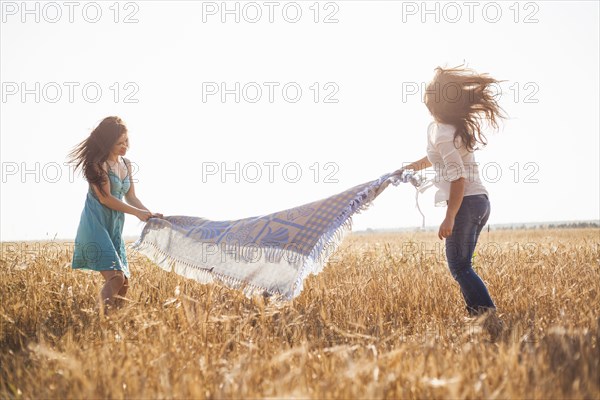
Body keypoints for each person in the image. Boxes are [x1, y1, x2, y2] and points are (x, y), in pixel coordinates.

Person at [397, 65, 507, 329]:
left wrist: (449, 217)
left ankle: (487, 316)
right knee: (463, 264)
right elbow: (435, 157)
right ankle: (479, 317)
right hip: (480, 201)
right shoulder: (448, 129)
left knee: (459, 266)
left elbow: (458, 178)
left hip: (466, 203)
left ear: (434, 103)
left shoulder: (442, 132)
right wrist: (408, 168)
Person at [68, 116, 162, 313]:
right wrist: (137, 214)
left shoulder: (126, 164)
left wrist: (149, 214)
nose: (125, 147)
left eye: (126, 141)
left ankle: (111, 326)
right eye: (119, 143)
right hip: (95, 226)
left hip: (114, 227)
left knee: (124, 282)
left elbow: (132, 197)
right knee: (116, 277)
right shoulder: (96, 164)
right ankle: (94, 320)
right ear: (107, 142)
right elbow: (106, 199)